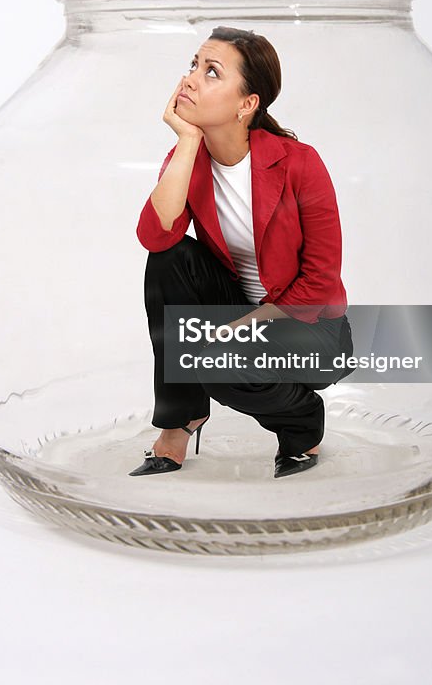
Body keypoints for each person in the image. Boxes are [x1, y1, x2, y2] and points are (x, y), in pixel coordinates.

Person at [129, 25, 353, 480]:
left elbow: (321, 281)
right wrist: (188, 142)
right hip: (238, 308)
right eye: (193, 65)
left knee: (219, 359)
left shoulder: (299, 162)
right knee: (169, 261)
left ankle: (301, 420)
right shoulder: (187, 160)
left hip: (309, 327)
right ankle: (182, 417)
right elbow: (157, 239)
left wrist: (237, 329)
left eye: (211, 72)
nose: (190, 79)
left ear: (247, 104)